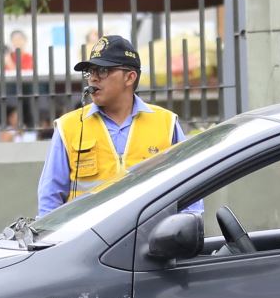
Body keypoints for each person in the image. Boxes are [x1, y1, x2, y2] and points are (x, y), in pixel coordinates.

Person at [36, 33, 187, 216]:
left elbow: (188, 186)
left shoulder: (166, 123)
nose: (93, 78)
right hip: (88, 240)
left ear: (130, 77)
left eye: (103, 70)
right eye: (90, 71)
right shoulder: (68, 126)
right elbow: (49, 199)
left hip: (151, 239)